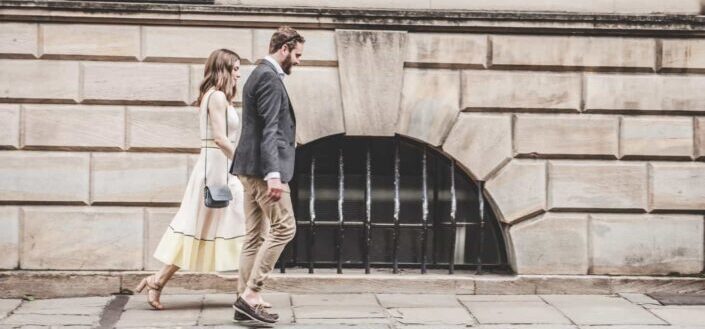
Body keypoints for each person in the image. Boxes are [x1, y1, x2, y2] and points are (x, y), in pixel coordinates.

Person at [135, 48, 245, 310]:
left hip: (220, 169)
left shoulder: (217, 97)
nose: (239, 75)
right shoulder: (216, 97)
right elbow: (219, 138)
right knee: (203, 229)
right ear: (224, 69)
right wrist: (242, 163)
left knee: (222, 227)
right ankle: (249, 292)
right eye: (236, 69)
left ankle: (247, 290)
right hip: (216, 171)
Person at [230, 26, 305, 324]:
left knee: (254, 236)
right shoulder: (270, 79)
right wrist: (274, 174)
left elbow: (262, 126)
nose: (299, 61)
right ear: (284, 49)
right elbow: (270, 130)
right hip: (263, 170)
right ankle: (251, 294)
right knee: (285, 227)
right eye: (297, 55)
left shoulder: (258, 74)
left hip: (248, 168)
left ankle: (243, 300)